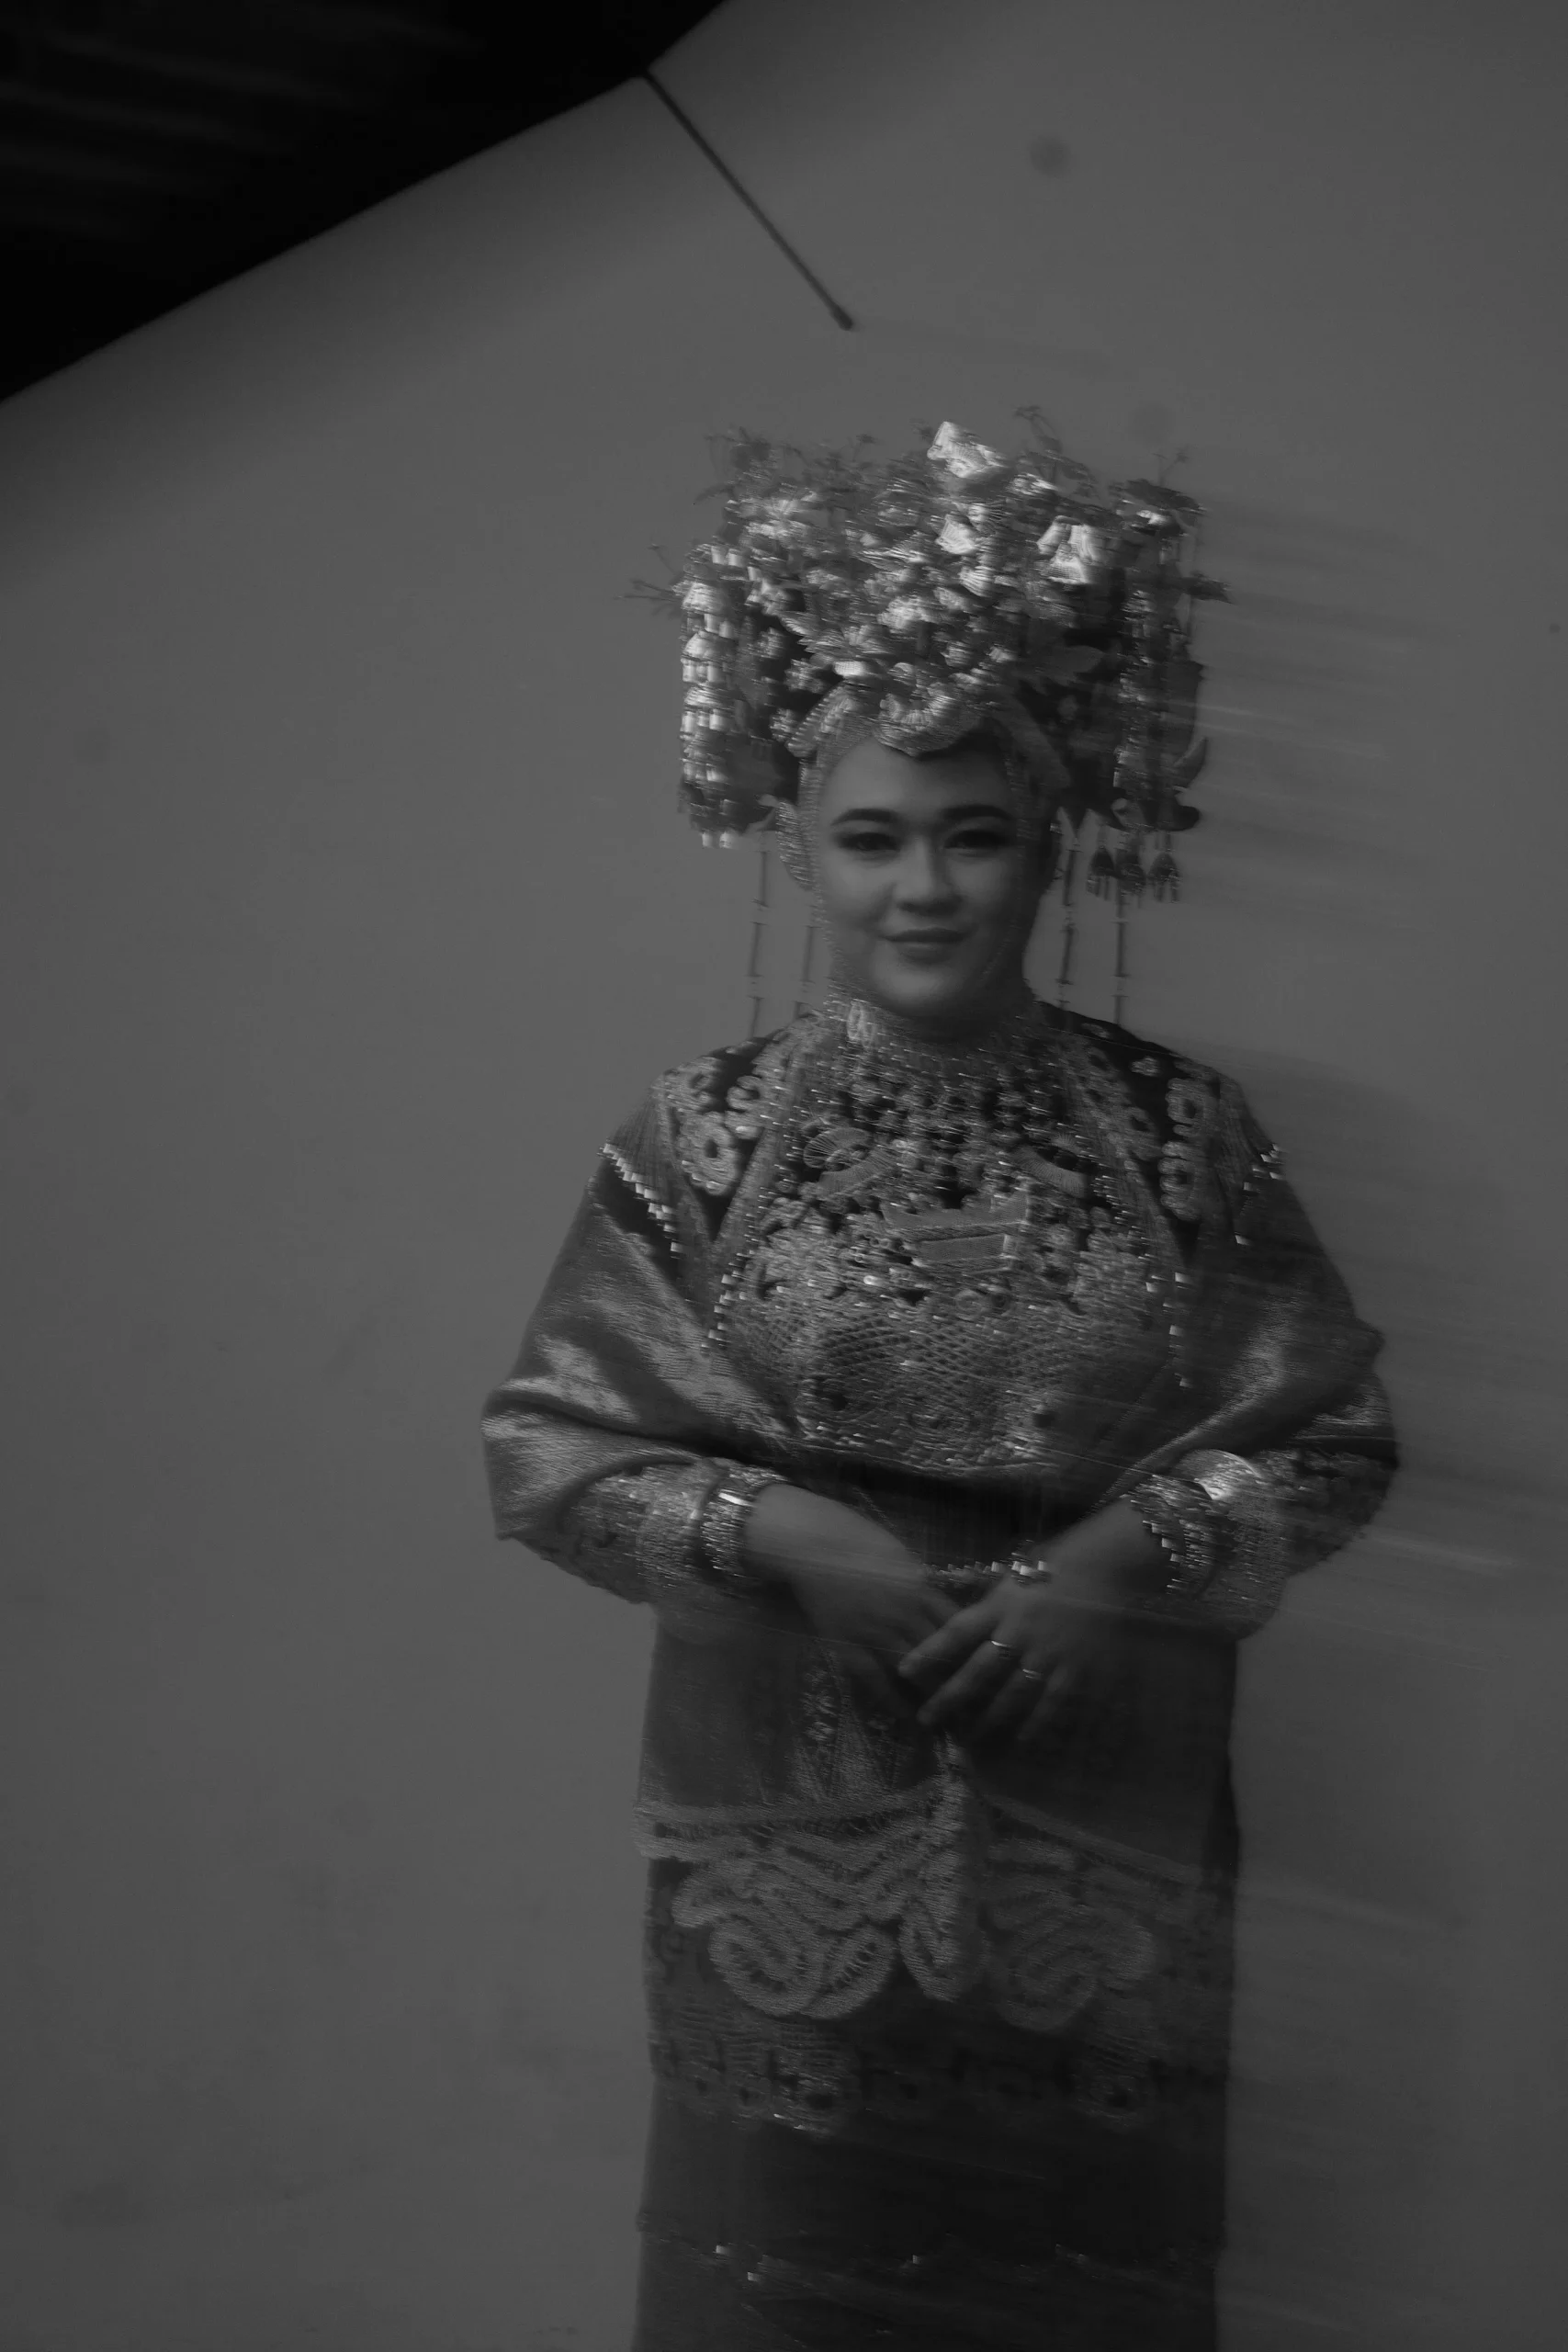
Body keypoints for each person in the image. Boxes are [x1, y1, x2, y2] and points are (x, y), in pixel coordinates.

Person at [481, 423, 1396, 2349]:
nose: (923, 888)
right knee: (788, 2288)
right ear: (796, 846)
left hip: (1106, 1835)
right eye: (872, 837)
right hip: (782, 1834)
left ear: (1051, 846)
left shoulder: (1178, 1133)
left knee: (1083, 2289)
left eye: (973, 835)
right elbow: (551, 1447)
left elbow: (1328, 1440)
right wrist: (780, 1533)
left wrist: (1116, 1567)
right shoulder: (706, 1137)